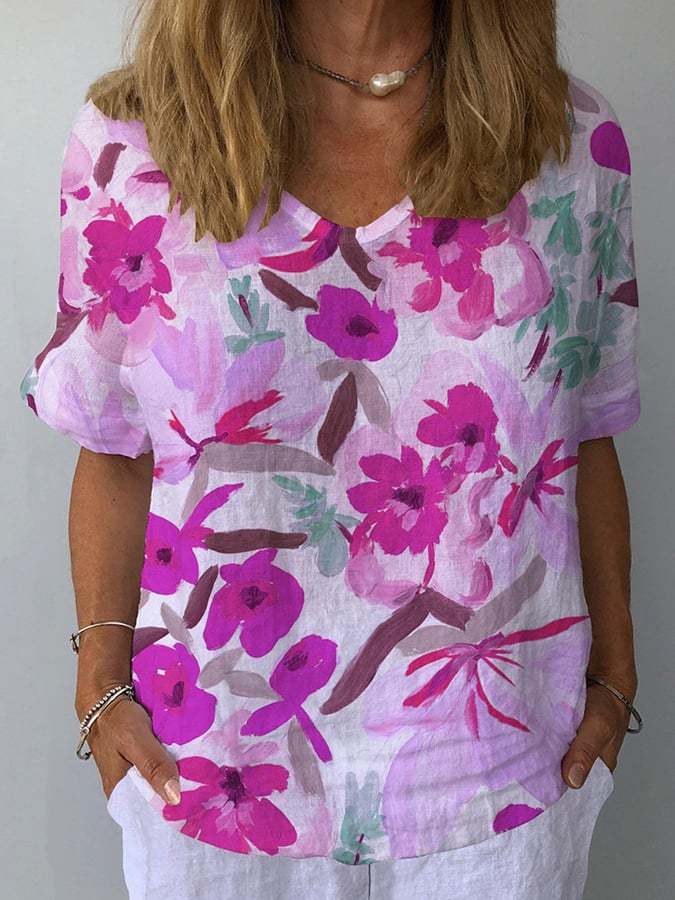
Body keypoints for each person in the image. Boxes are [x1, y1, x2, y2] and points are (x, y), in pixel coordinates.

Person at [19, 1, 644, 897]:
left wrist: (615, 678)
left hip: (497, 793)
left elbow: (583, 433)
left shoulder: (568, 143)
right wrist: (99, 688)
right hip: (211, 784)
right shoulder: (134, 144)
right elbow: (115, 449)